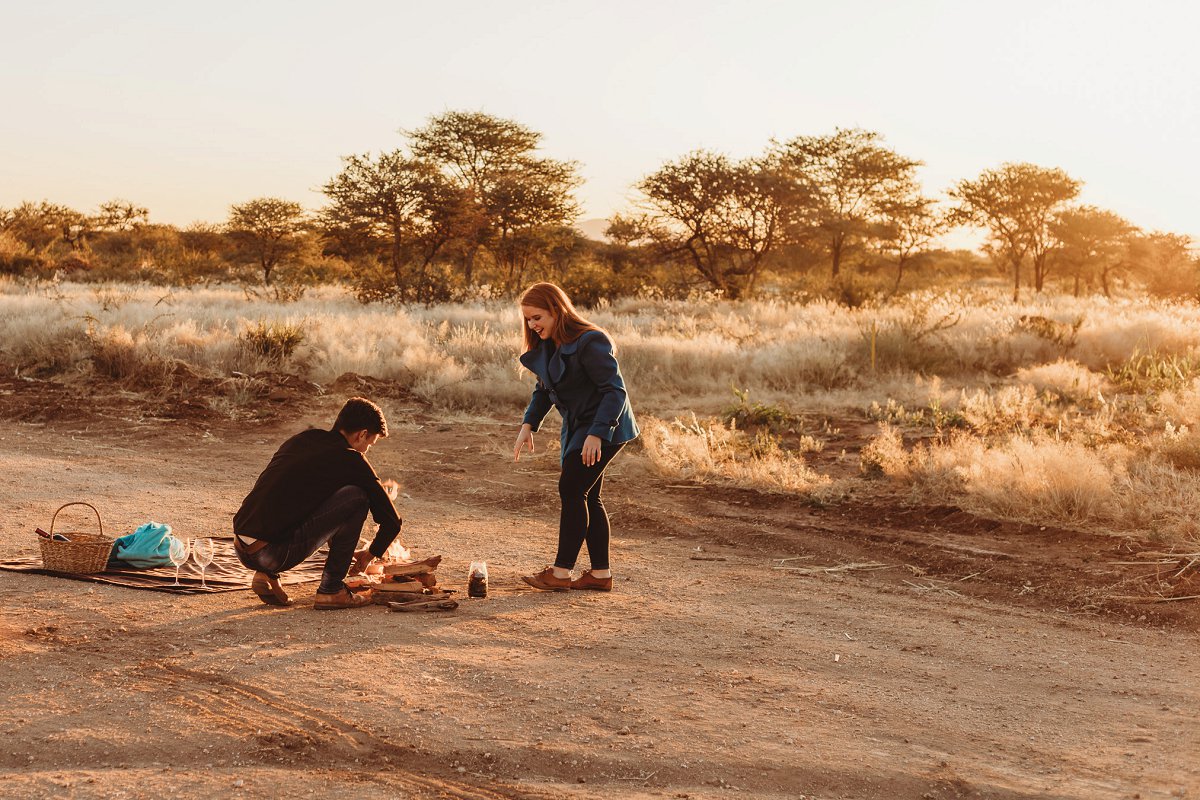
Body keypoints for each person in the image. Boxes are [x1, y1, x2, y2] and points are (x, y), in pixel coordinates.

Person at [513, 282, 639, 592]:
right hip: (579, 427)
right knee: (587, 494)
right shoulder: (548, 346)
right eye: (528, 319)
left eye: (538, 317)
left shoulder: (590, 341)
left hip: (606, 425)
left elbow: (615, 391)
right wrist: (528, 424)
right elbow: (543, 390)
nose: (532, 324)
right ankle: (599, 575)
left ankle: (560, 573)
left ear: (556, 310)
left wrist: (597, 434)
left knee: (571, 488)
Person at [232, 397, 401, 609]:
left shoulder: (303, 439)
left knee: (295, 498)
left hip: (240, 547)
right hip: (270, 554)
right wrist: (369, 555)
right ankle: (332, 589)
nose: (366, 449)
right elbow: (392, 521)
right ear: (362, 434)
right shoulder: (352, 459)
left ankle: (266, 576)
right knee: (358, 497)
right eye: (370, 443)